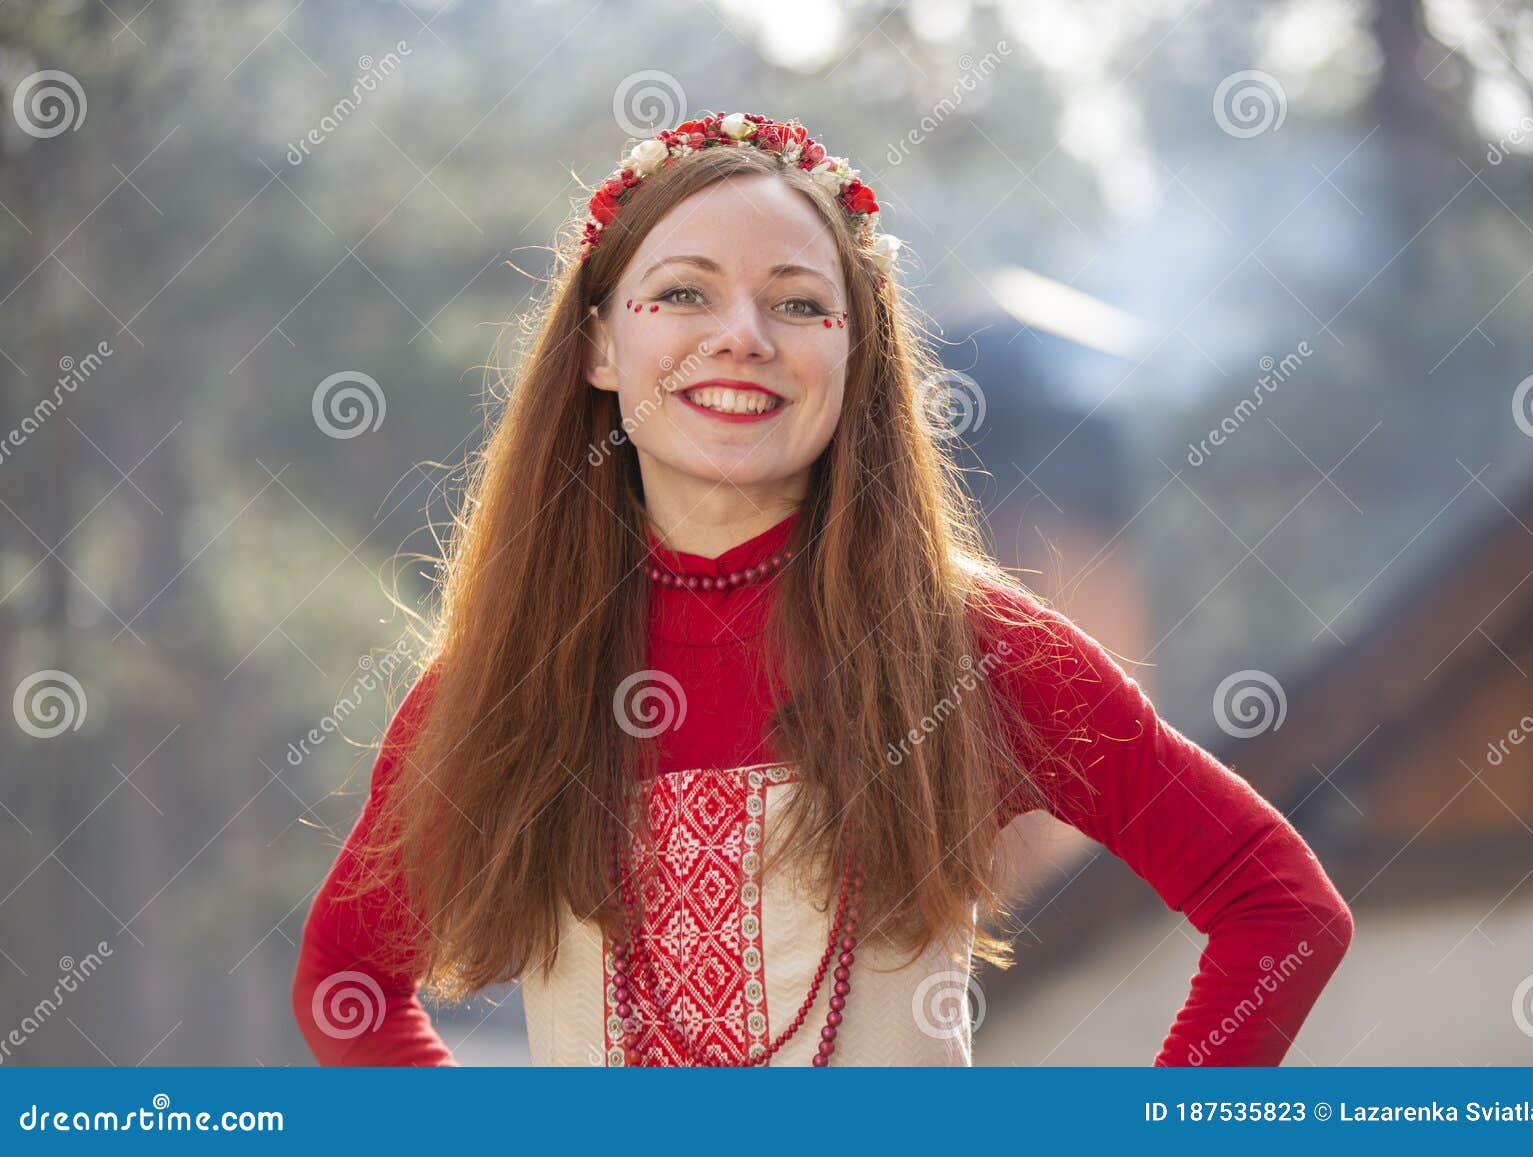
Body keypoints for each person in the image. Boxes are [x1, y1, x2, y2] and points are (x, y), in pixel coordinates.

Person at [290, 111, 1354, 1067]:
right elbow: (344, 987)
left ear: (857, 354)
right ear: (602, 343)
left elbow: (1280, 907)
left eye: (798, 302)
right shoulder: (505, 678)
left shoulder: (968, 650)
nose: (742, 335)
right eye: (684, 292)